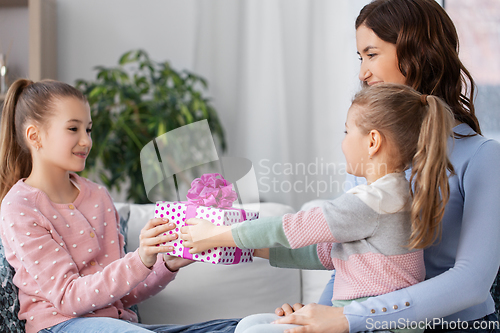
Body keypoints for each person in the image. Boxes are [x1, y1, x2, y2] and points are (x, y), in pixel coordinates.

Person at [249, 0, 500, 332]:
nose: (362, 72)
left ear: (417, 52)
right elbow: (349, 259)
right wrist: (314, 318)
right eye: (360, 57)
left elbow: (471, 282)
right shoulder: (370, 151)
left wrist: (346, 319)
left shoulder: (483, 156)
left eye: (371, 54)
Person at [181, 83, 456, 333]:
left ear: (372, 141)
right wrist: (249, 247)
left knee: (252, 331)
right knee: (252, 324)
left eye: (347, 131)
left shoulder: (374, 200)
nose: (343, 142)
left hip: (374, 328)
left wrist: (218, 233)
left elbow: (293, 227)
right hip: (369, 323)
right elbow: (327, 252)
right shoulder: (393, 196)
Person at [0, 79, 239, 333]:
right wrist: (139, 258)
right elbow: (68, 298)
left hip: (118, 325)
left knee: (239, 328)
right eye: (73, 129)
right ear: (34, 136)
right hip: (60, 325)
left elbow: (123, 295)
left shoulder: (98, 196)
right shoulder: (20, 206)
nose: (86, 141)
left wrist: (164, 263)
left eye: (88, 130)